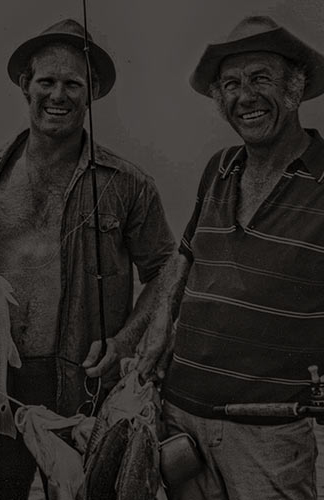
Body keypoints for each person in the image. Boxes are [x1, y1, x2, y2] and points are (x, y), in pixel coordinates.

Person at [0, 19, 175, 500]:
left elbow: (167, 269)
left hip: (85, 387)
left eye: (73, 84)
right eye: (47, 81)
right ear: (25, 84)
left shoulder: (128, 184)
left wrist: (125, 341)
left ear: (92, 91)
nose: (58, 95)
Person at [129, 16, 324, 499]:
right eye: (232, 84)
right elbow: (184, 257)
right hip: (179, 423)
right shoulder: (219, 168)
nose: (245, 96)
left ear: (295, 87)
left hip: (269, 437)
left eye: (260, 79)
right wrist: (160, 324)